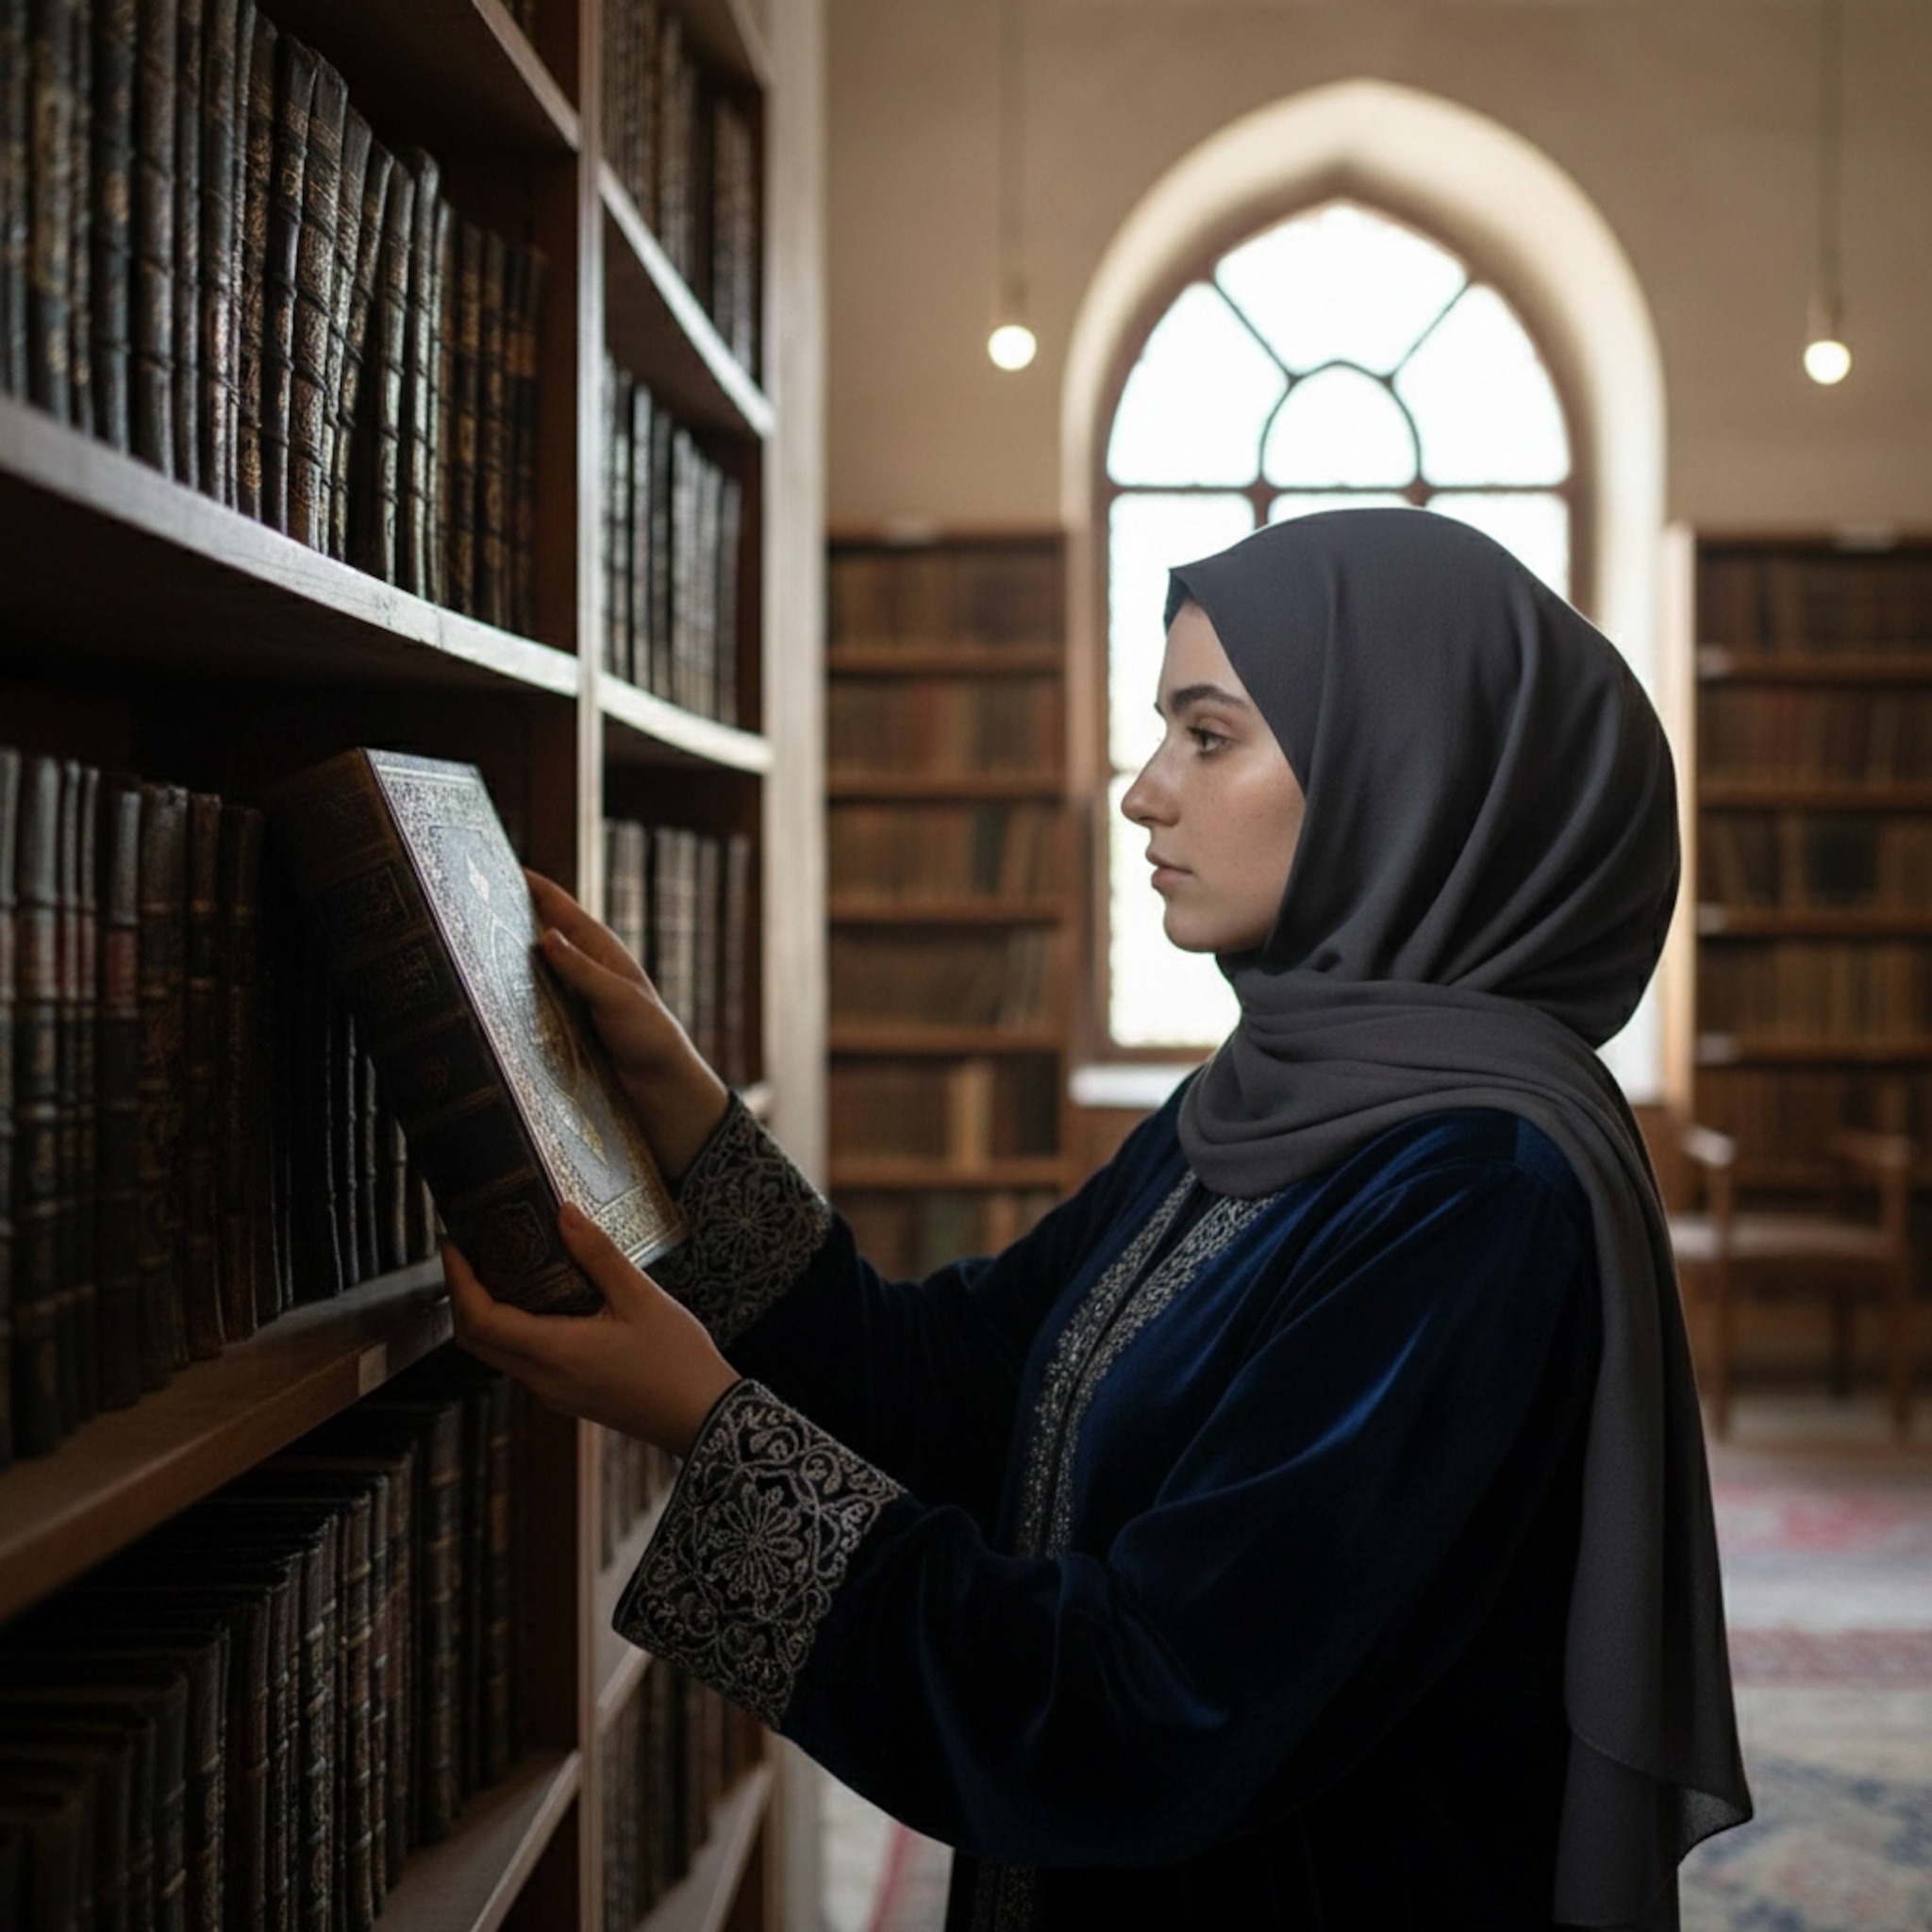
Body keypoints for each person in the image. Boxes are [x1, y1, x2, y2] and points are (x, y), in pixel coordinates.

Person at [447, 509, 1752, 1931]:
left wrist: (709, 1428)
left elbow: (1155, 1709)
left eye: (1209, 735)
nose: (1142, 793)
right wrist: (687, 1118)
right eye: (1164, 731)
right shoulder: (1261, 1100)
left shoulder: (1481, 1198)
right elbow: (959, 1383)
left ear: (1403, 777)